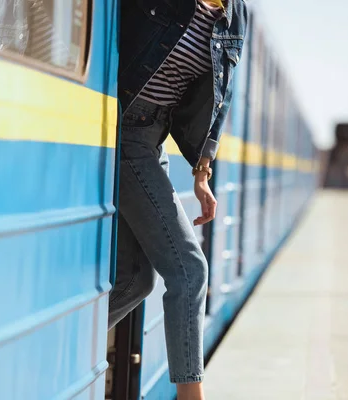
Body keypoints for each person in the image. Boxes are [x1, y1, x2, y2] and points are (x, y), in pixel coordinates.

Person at [108, 1, 248, 399]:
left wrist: (202, 173)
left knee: (134, 282)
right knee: (190, 269)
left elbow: (223, 92)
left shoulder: (235, 12)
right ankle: (191, 394)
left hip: (155, 138)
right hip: (127, 131)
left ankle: (62, 344)